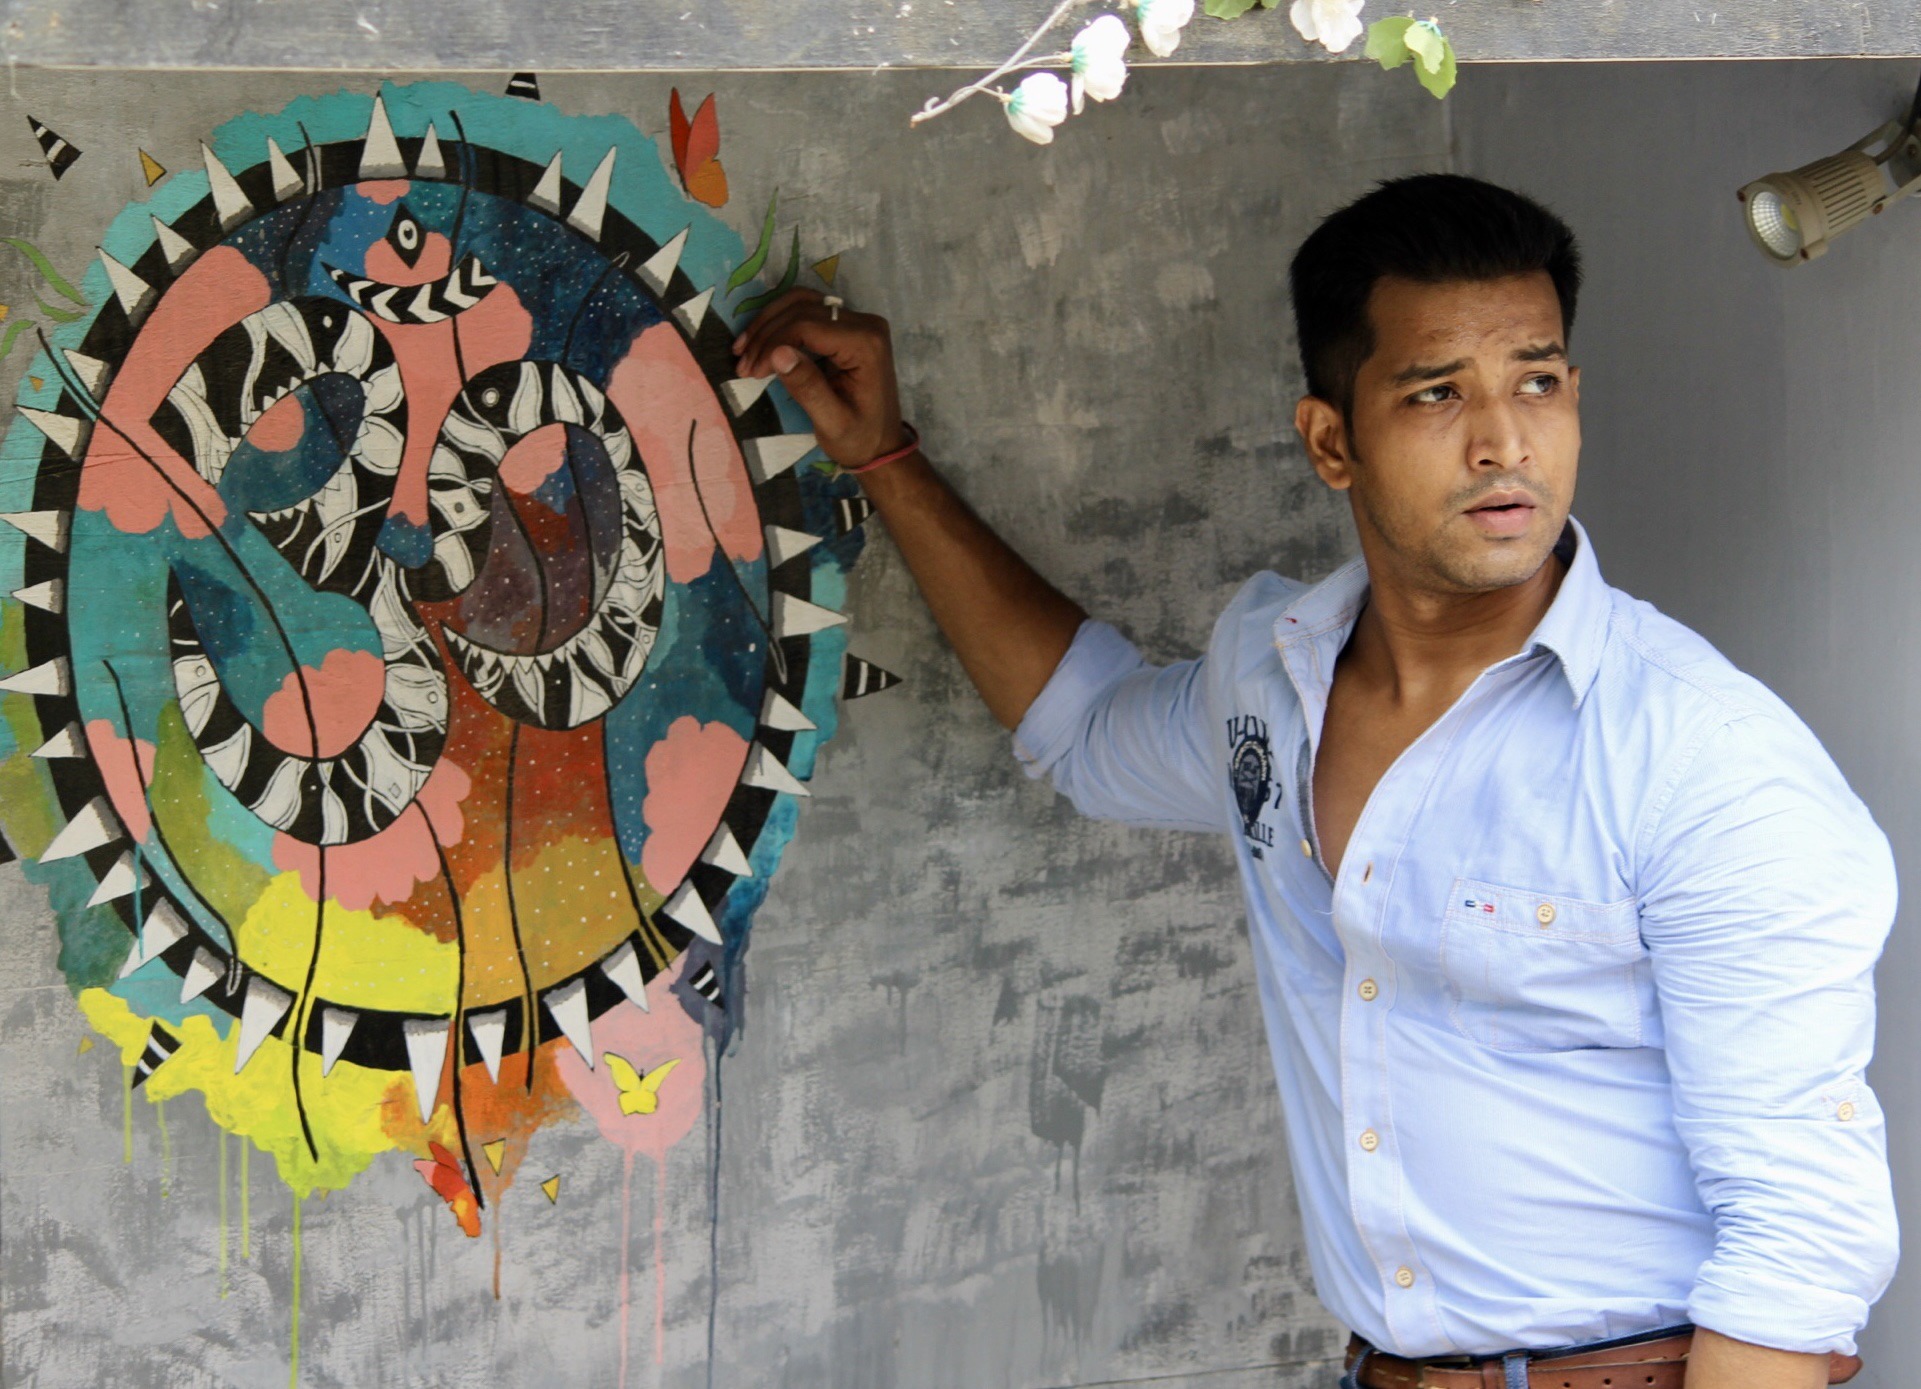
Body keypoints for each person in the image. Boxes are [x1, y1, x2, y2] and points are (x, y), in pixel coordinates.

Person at [731, 174, 1896, 1389]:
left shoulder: (1705, 760)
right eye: (1437, 392)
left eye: (1536, 383)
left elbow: (1798, 1243)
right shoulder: (1272, 678)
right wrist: (887, 459)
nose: (1503, 442)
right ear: (1331, 441)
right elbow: (1083, 728)